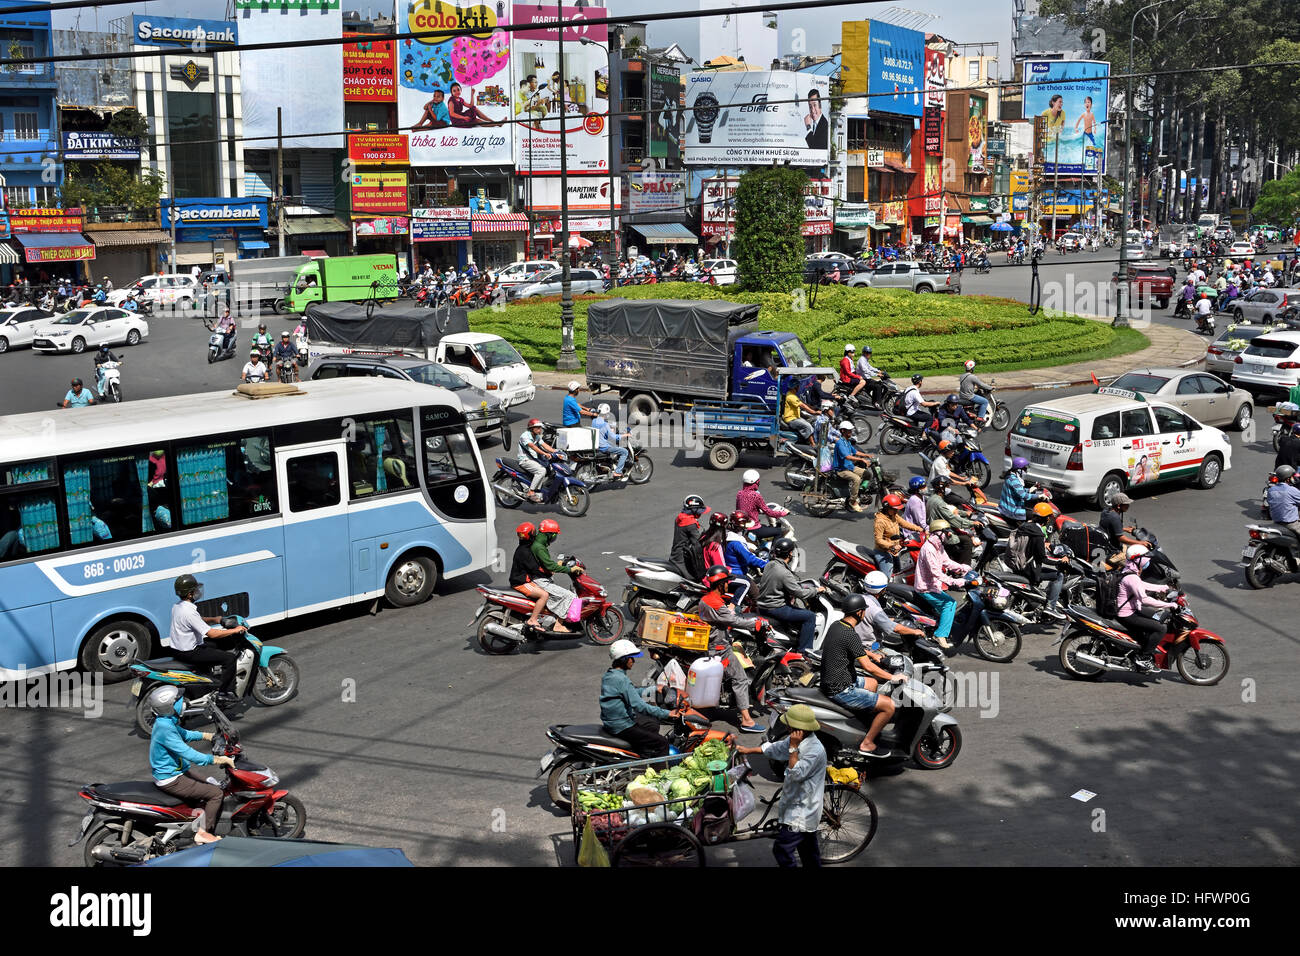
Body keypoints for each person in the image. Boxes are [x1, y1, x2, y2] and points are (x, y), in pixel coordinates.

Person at [734, 704, 827, 867]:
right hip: (795, 803)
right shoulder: (797, 740)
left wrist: (793, 748)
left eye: (789, 724)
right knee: (809, 851)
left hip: (801, 811)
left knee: (782, 850)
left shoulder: (815, 750)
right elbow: (775, 749)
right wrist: (747, 750)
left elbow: (795, 774)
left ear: (799, 729)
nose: (786, 726)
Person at [816, 593, 905, 756]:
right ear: (859, 613)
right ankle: (867, 742)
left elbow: (854, 649)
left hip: (836, 679)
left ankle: (861, 725)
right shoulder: (851, 634)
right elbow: (868, 667)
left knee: (871, 684)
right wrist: (893, 677)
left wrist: (872, 654)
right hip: (841, 689)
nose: (864, 613)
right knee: (889, 706)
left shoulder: (837, 626)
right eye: (864, 610)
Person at [147, 686, 235, 845]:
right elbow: (189, 754)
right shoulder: (165, 728)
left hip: (177, 770)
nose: (185, 703)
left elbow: (185, 734)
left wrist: (208, 736)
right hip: (171, 779)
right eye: (180, 702)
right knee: (216, 793)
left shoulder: (165, 722)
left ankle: (198, 818)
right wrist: (218, 760)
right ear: (169, 707)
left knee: (211, 781)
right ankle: (203, 833)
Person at [695, 566, 767, 733]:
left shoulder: (707, 599)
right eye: (727, 582)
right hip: (719, 649)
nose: (729, 584)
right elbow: (733, 621)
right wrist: (756, 622)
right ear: (721, 584)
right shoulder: (714, 602)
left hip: (716, 642)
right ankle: (747, 721)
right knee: (740, 678)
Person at [167, 574, 244, 705]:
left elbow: (197, 620)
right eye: (195, 590)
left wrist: (215, 619)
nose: (198, 592)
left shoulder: (178, 606)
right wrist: (235, 630)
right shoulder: (189, 612)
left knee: (216, 645)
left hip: (178, 649)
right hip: (189, 652)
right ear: (190, 594)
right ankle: (224, 692)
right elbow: (212, 633)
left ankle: (210, 679)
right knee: (229, 658)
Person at [600, 640, 674, 757]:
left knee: (652, 724)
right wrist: (668, 714)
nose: (633, 661)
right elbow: (639, 706)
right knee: (662, 743)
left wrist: (654, 689)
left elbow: (631, 692)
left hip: (612, 722)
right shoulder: (621, 679)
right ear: (624, 659)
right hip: (621, 725)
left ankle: (641, 752)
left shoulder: (610, 674)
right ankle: (656, 771)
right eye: (631, 658)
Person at [1116, 545, 1177, 672]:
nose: (1148, 560)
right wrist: (1168, 605)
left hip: (1133, 608)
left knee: (1160, 616)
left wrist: (1163, 587)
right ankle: (1144, 657)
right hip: (1127, 614)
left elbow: (1141, 584)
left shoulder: (1130, 571)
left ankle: (1144, 644)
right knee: (1161, 628)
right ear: (1137, 559)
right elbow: (1144, 599)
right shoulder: (1131, 577)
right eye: (1145, 558)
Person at [756, 537, 822, 653]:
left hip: (762, 605)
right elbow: (800, 593)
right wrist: (816, 590)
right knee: (810, 616)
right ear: (790, 553)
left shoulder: (769, 565)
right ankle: (805, 652)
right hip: (775, 608)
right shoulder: (785, 573)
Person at [914, 521, 973, 650]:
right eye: (947, 532)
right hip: (926, 588)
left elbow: (946, 562)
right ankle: (940, 635)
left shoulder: (938, 546)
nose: (949, 534)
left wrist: (962, 568)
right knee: (950, 604)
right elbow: (935, 572)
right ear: (939, 533)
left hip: (934, 586)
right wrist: (954, 582)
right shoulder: (929, 549)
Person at [509, 521, 569, 633]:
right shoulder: (525, 552)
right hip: (521, 582)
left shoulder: (524, 547)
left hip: (523, 579)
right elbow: (535, 568)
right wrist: (549, 572)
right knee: (544, 595)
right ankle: (532, 620)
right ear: (531, 534)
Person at [1012, 502, 1069, 620]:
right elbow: (1043, 558)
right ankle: (1050, 607)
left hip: (1018, 565)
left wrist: (1043, 545)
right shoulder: (1038, 533)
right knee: (1058, 575)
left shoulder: (1025, 526)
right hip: (1029, 570)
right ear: (1047, 518)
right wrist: (1060, 561)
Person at [530, 518, 580, 626]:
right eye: (554, 535)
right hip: (541, 581)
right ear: (550, 535)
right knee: (569, 596)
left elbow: (545, 564)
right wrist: (569, 569)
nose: (555, 538)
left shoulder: (538, 544)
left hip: (540, 577)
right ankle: (559, 625)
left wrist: (558, 565)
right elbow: (549, 566)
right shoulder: (539, 547)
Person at [927, 474, 982, 565]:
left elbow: (948, 509)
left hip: (940, 527)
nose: (949, 488)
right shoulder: (938, 502)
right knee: (967, 540)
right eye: (947, 486)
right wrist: (972, 523)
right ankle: (963, 569)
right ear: (942, 488)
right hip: (940, 532)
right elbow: (952, 519)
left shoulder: (935, 498)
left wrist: (964, 513)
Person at [873, 493, 924, 576]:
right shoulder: (880, 521)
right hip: (883, 553)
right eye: (894, 509)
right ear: (887, 508)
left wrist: (921, 529)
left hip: (894, 552)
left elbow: (905, 524)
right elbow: (878, 540)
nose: (897, 511)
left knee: (898, 574)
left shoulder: (893, 515)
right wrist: (892, 545)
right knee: (887, 578)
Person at [831, 421, 874, 512]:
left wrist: (866, 455)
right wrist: (861, 459)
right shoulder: (840, 443)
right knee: (856, 479)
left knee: (867, 474)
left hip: (850, 467)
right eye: (849, 431)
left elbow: (855, 452)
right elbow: (847, 456)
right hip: (841, 469)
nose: (851, 432)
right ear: (843, 431)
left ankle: (858, 492)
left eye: (851, 430)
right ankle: (852, 501)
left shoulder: (847, 442)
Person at [735, 470, 786, 542]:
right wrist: (783, 513)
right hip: (754, 528)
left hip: (743, 527)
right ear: (756, 482)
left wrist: (756, 510)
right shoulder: (756, 495)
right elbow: (768, 512)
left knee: (765, 526)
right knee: (779, 531)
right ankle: (774, 552)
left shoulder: (739, 493)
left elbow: (739, 510)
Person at [517, 418, 560, 502]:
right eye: (537, 428)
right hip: (525, 460)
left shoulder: (536, 436)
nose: (540, 430)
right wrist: (545, 454)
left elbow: (544, 445)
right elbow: (533, 446)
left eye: (540, 428)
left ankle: (541, 489)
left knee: (550, 468)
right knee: (541, 471)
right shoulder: (524, 436)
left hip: (534, 459)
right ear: (531, 429)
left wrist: (556, 451)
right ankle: (531, 491)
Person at [670, 494, 710, 581]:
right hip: (681, 559)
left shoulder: (680, 517)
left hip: (675, 554)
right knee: (695, 579)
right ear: (694, 510)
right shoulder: (690, 523)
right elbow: (699, 541)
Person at [999, 456, 1044, 525]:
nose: (1026, 471)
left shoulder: (1011, 476)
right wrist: (1038, 496)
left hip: (1007, 508)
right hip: (1012, 511)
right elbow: (1023, 496)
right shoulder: (1014, 480)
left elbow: (1018, 491)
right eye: (1025, 469)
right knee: (1037, 516)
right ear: (1019, 470)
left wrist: (1029, 490)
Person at [724, 510, 768, 580]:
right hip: (737, 573)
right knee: (755, 590)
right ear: (740, 526)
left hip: (730, 568)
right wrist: (767, 564)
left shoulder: (727, 535)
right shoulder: (736, 542)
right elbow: (750, 559)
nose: (746, 528)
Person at [592, 404, 630, 479]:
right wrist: (625, 435)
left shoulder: (594, 421)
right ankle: (617, 472)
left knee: (613, 445)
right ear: (606, 414)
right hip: (603, 447)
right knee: (624, 452)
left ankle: (610, 465)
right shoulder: (605, 424)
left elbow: (600, 432)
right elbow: (613, 437)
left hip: (596, 444)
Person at [1266, 465, 1300, 538]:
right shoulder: (1292, 490)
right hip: (1291, 525)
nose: (1294, 478)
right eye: (1292, 477)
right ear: (1288, 479)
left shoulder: (1271, 490)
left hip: (1276, 522)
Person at [958, 359, 991, 424]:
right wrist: (990, 387)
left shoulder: (962, 376)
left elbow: (967, 384)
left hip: (962, 396)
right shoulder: (972, 377)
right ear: (972, 368)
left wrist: (974, 387)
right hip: (969, 396)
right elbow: (981, 384)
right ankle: (980, 417)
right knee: (985, 401)